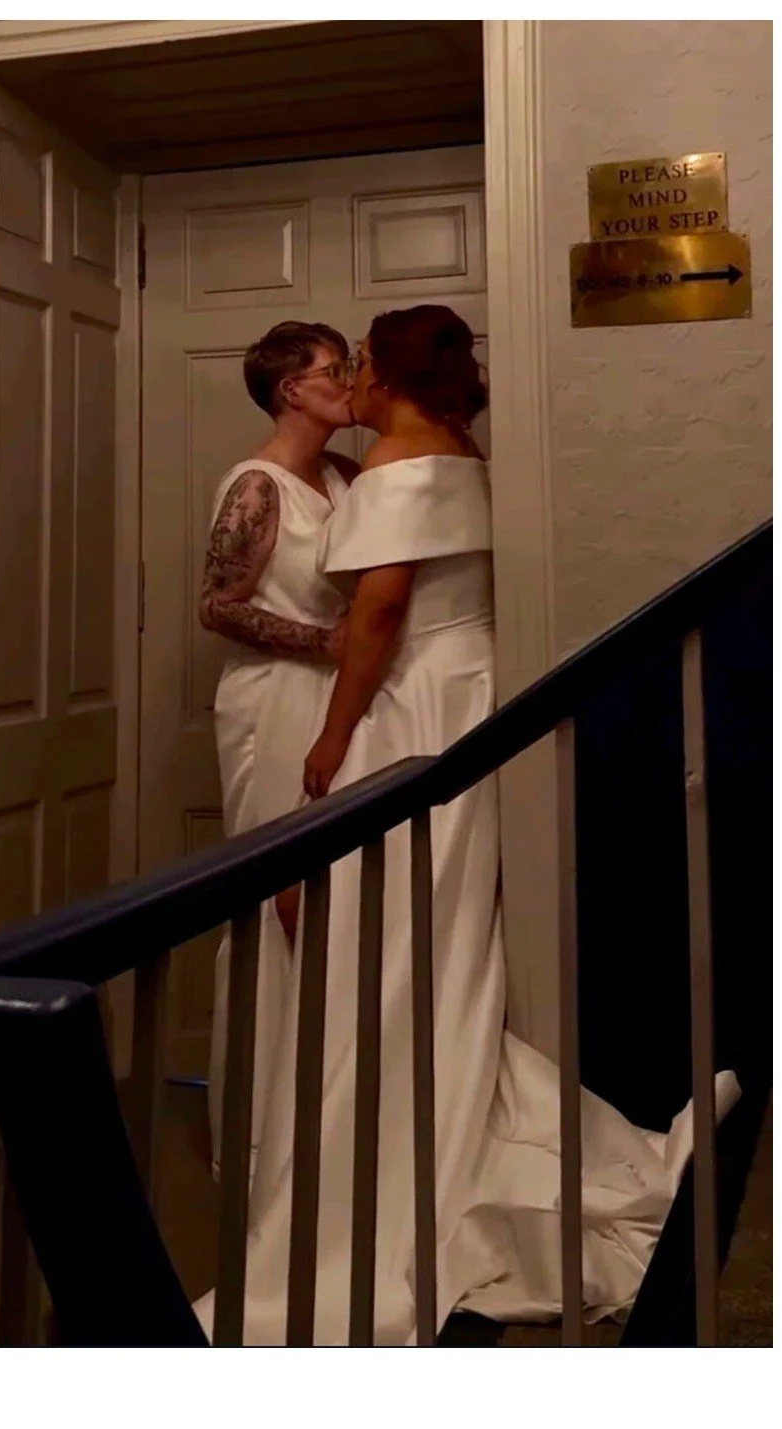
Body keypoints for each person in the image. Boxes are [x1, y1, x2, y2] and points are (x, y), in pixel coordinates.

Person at [205, 304, 732, 1345]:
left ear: (392, 373)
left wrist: (333, 734)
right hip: (471, 688)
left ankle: (385, 1145)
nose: (349, 375)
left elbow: (382, 613)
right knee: (433, 920)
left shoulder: (393, 466)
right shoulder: (461, 450)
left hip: (406, 699)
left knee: (376, 924)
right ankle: (408, 1097)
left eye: (358, 360)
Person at [197, 321, 357, 1177]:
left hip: (337, 702)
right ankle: (263, 1134)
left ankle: (333, 1109)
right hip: (270, 700)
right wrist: (321, 644)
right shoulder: (256, 487)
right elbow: (215, 605)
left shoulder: (340, 474)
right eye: (334, 370)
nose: (347, 381)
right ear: (291, 389)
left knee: (340, 894)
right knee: (277, 900)